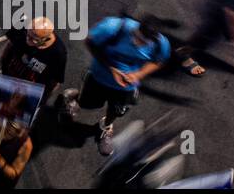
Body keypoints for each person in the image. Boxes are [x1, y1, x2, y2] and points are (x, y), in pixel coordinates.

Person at [63, 16, 170, 155]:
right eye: (138, 38)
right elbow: (89, 42)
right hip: (99, 76)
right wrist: (112, 68)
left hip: (126, 86)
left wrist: (138, 75)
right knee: (88, 104)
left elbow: (159, 61)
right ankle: (73, 97)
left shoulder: (161, 44)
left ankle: (105, 127)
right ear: (137, 29)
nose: (139, 44)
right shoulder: (112, 27)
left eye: (144, 42)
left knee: (116, 111)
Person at [0, 16, 68, 105]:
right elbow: (9, 45)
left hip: (31, 85)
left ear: (46, 39)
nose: (28, 39)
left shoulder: (58, 54)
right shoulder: (22, 24)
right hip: (12, 72)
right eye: (28, 34)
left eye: (34, 39)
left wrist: (42, 101)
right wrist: (1, 65)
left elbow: (54, 82)